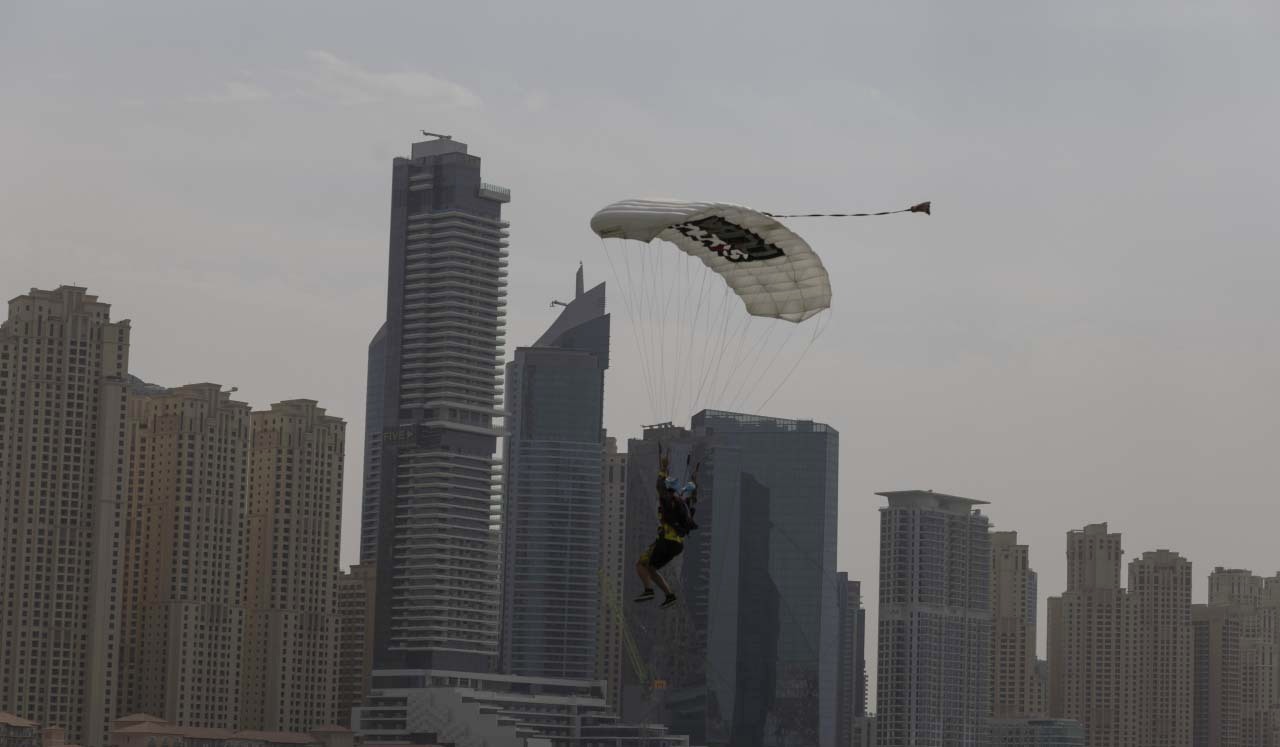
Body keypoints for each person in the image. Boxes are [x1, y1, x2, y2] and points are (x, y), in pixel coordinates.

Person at [635, 450, 698, 609]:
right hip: (677, 545)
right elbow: (690, 496)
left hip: (666, 542)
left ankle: (649, 590)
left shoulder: (668, 499)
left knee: (641, 565)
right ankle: (669, 595)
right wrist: (693, 483)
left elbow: (659, 485)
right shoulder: (682, 504)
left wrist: (663, 469)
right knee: (651, 567)